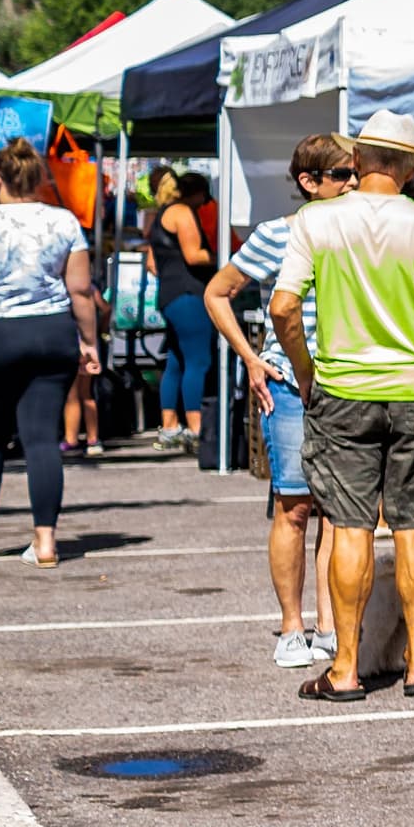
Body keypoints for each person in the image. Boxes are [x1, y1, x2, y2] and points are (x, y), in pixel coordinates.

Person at [276, 110, 414, 702]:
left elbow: (283, 308)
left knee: (351, 527)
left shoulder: (317, 221)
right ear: (409, 169)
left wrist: (305, 370)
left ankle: (345, 667)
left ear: (361, 160)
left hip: (343, 389)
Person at [212, 134, 356, 668]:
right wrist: (251, 359)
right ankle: (293, 628)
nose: (352, 184)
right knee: (294, 507)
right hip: (290, 387)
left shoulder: (359, 233)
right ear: (309, 182)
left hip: (348, 385)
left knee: (339, 513)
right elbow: (217, 291)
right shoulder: (277, 235)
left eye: (354, 173)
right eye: (341, 175)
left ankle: (329, 625)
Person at [0, 136, 98, 565]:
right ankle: (45, 541)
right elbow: (80, 289)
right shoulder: (64, 223)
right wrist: (89, 341)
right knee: (42, 438)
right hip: (51, 333)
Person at [149, 166, 219, 446]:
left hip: (168, 294)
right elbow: (193, 255)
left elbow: (152, 264)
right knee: (198, 361)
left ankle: (169, 425)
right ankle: (196, 427)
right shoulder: (181, 212)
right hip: (188, 294)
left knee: (176, 362)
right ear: (198, 194)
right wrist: (222, 255)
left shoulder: (160, 216)